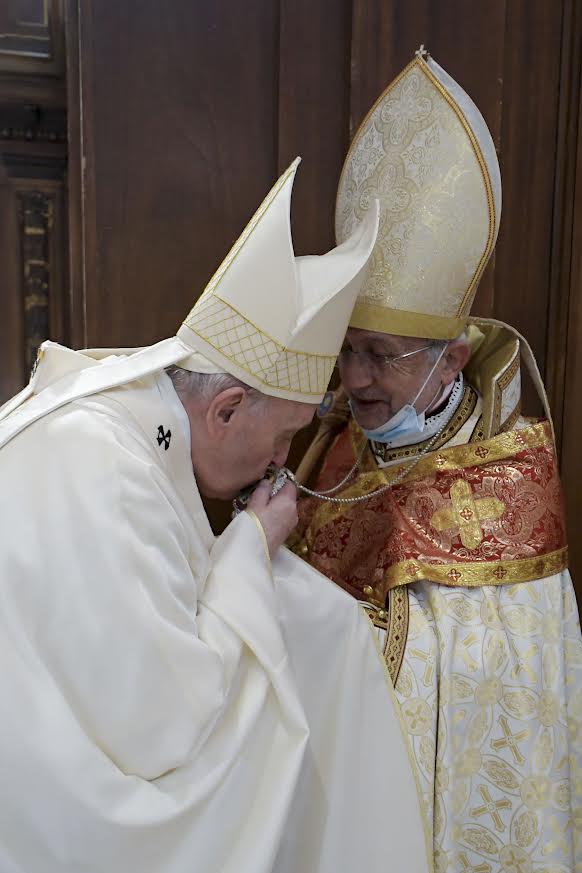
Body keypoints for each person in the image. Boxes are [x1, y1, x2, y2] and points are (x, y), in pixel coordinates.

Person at [0, 159, 430, 873]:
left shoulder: (116, 425)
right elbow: (164, 727)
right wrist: (251, 546)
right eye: (283, 437)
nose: (281, 461)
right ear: (226, 410)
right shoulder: (106, 466)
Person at [292, 51, 582, 872]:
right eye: (346, 348)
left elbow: (499, 702)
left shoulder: (507, 488)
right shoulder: (336, 440)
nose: (354, 380)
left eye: (379, 356)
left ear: (450, 359)